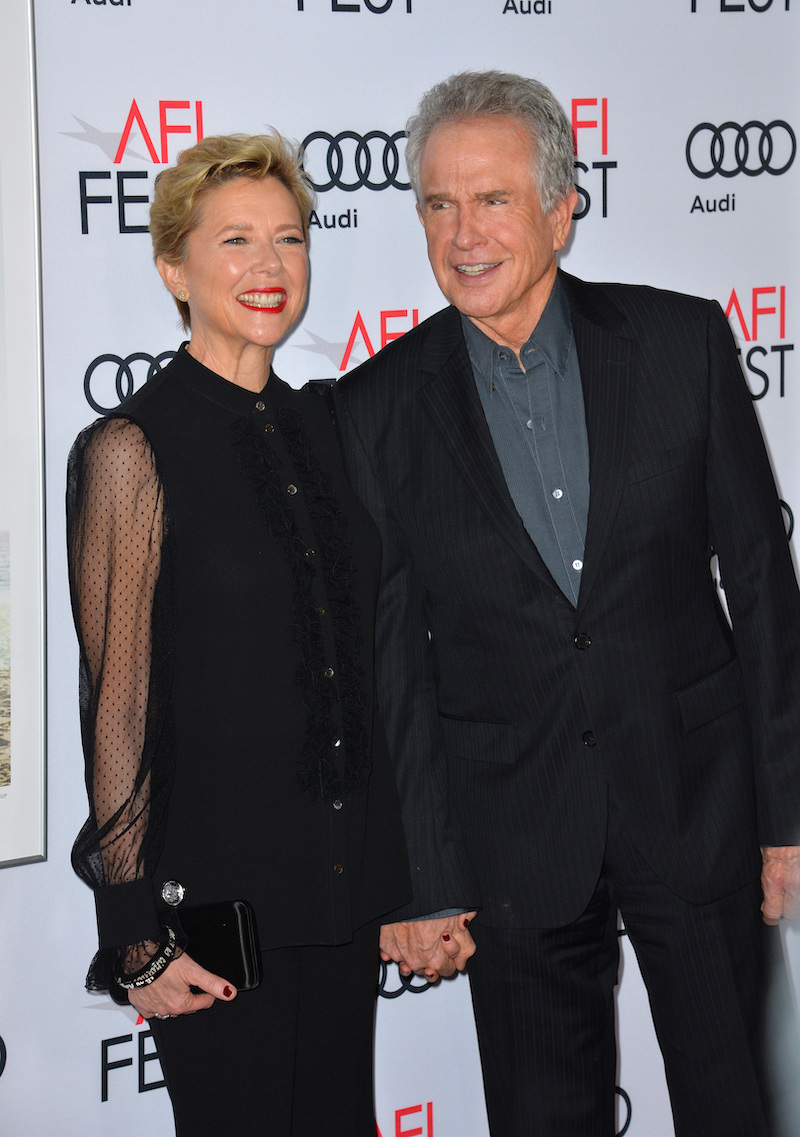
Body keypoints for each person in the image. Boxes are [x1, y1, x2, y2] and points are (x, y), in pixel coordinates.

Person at [335, 71, 800, 1137]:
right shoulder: (375, 407)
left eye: (492, 200)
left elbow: (763, 590)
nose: (462, 235)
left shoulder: (681, 346)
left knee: (743, 1106)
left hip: (698, 804)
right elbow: (390, 660)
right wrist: (423, 876)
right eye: (437, 206)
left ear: (558, 207)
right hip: (512, 838)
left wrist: (786, 817)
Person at [67, 132, 409, 1137]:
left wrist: (399, 878)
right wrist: (132, 931)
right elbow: (117, 705)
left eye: (289, 240)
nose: (269, 267)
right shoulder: (131, 449)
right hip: (214, 908)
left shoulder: (329, 426)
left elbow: (361, 669)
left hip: (340, 891)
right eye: (235, 241)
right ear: (173, 266)